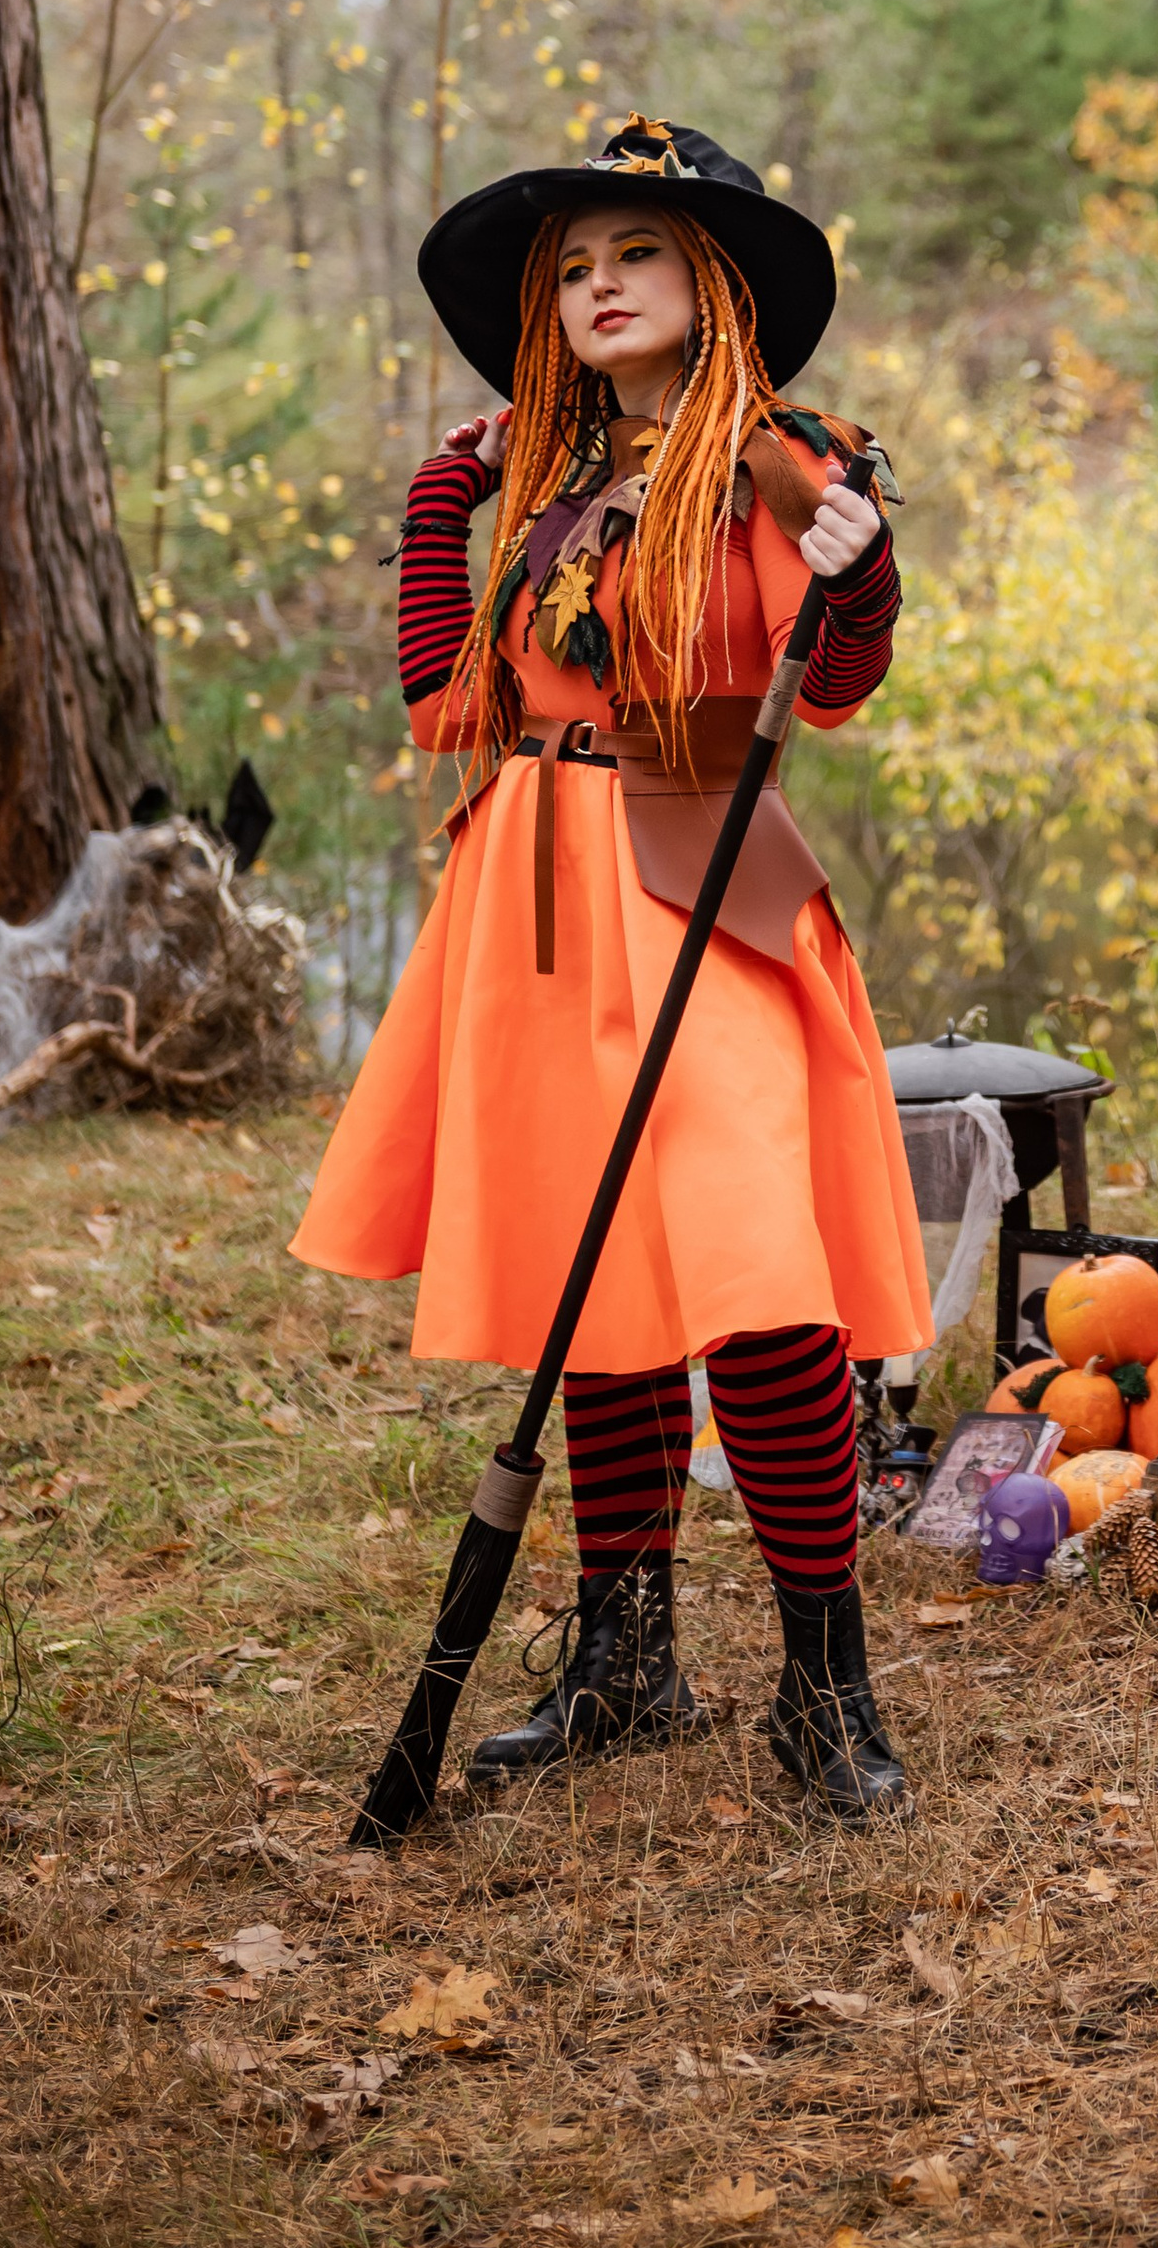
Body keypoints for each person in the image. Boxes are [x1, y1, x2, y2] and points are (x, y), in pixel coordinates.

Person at [290, 113, 931, 1816]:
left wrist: (863, 578)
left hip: (702, 870)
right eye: (571, 269)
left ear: (708, 278)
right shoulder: (562, 492)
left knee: (758, 1281)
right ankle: (624, 1663)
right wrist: (452, 490)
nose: (595, 287)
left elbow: (841, 661)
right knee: (609, 1290)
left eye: (632, 255)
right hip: (535, 891)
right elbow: (449, 697)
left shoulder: (782, 457)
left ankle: (826, 1689)